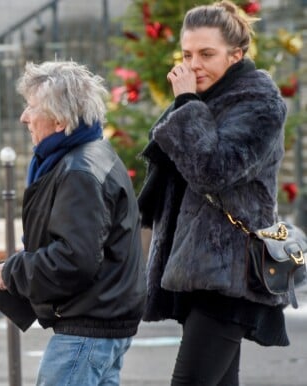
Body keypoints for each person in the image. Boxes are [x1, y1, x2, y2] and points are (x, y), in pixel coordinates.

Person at [137, 1, 290, 385]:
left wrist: (186, 103)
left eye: (207, 54)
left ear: (236, 54)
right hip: (198, 269)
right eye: (187, 55)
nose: (194, 65)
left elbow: (214, 170)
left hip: (230, 270)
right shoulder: (208, 99)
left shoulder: (258, 102)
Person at [0, 60, 146, 386]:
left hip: (87, 330)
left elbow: (73, 260)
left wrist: (11, 272)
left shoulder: (78, 171)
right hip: (101, 323)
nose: (24, 117)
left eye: (31, 107)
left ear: (61, 120)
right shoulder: (89, 155)